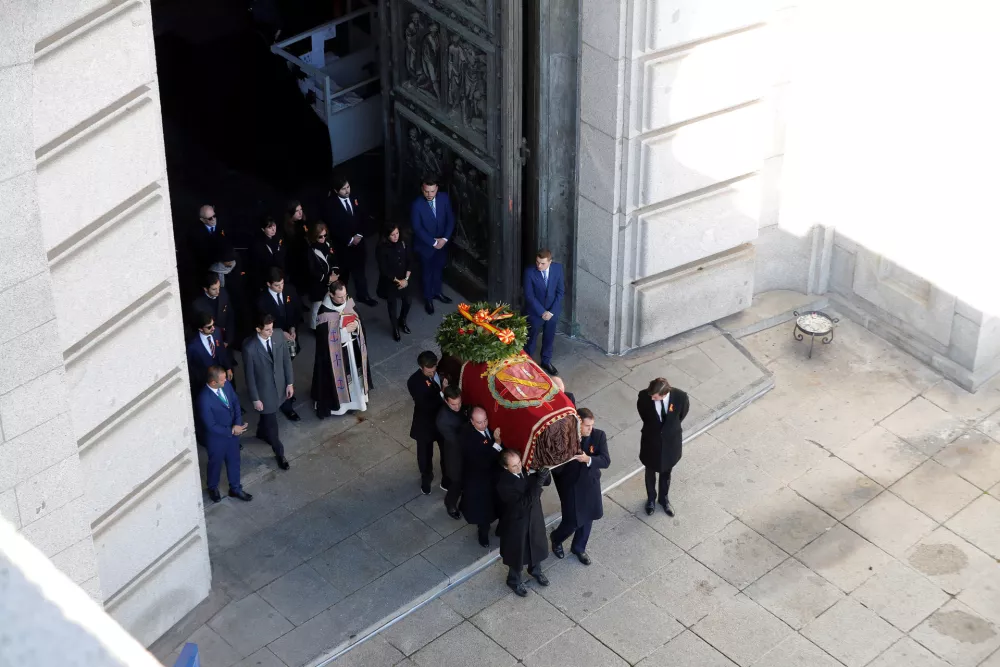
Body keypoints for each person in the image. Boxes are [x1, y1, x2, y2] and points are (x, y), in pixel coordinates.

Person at [550, 408, 609, 565]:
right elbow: (556, 468)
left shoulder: (599, 436)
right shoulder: (565, 438)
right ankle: (556, 538)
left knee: (589, 517)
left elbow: (605, 460)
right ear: (578, 424)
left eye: (592, 425)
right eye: (587, 426)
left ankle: (579, 547)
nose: (590, 429)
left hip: (590, 484)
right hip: (571, 487)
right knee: (572, 521)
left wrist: (588, 459)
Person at [242, 313, 297, 471]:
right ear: (258, 329)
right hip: (264, 393)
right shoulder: (250, 348)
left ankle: (261, 432)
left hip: (280, 386)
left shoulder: (278, 335)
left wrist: (290, 383)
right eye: (267, 330)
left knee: (266, 420)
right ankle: (280, 453)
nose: (271, 332)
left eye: (271, 328)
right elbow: (250, 376)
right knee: (272, 425)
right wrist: (255, 398)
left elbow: (286, 360)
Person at [312, 281, 372, 417]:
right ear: (331, 295)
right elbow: (323, 339)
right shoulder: (324, 312)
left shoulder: (348, 302)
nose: (343, 299)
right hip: (335, 355)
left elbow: (359, 320)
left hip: (352, 349)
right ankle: (341, 407)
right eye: (340, 297)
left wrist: (356, 325)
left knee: (355, 376)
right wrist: (344, 331)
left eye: (345, 295)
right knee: (338, 378)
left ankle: (358, 401)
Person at [496, 449, 550, 596]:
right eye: (514, 466)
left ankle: (535, 570)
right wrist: (538, 482)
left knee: (537, 545)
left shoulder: (524, 470)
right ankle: (513, 580)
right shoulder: (504, 484)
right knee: (517, 554)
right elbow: (524, 503)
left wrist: (544, 470)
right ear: (506, 467)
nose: (519, 467)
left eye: (519, 463)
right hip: (518, 523)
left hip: (534, 518)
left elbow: (545, 482)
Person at [195, 366, 251, 502]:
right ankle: (212, 487)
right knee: (215, 463)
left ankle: (235, 488)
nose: (226, 380)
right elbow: (210, 425)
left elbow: (235, 403)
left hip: (232, 434)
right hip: (216, 439)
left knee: (234, 461)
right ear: (213, 382)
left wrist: (237, 424)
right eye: (223, 379)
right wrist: (232, 430)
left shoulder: (226, 386)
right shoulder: (204, 399)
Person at [637, 377, 690, 517]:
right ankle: (651, 500)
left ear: (664, 394)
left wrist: (668, 430)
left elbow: (681, 415)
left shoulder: (680, 397)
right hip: (651, 443)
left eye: (655, 397)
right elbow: (644, 415)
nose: (652, 399)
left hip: (671, 444)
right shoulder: (644, 396)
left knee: (666, 474)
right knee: (650, 473)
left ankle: (663, 499)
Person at [324, 175, 377, 307]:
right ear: (336, 191)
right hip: (343, 247)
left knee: (360, 272)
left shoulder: (355, 197)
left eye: (348, 187)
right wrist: (349, 239)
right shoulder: (331, 205)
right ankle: (342, 299)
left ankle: (363, 295)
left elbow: (363, 217)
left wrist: (359, 235)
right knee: (344, 275)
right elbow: (333, 226)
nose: (347, 191)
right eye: (343, 189)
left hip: (358, 244)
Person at [409, 175, 455, 314]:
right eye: (426, 191)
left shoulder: (444, 198)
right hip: (426, 245)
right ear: (422, 190)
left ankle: (437, 292)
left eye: (432, 191)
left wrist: (445, 239)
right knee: (427, 272)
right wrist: (434, 242)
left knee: (438, 268)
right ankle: (428, 298)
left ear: (437, 189)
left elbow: (450, 219)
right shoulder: (416, 205)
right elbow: (417, 228)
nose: (429, 194)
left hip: (442, 243)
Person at [460, 406, 502, 548]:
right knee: (484, 513)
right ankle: (483, 534)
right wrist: (497, 444)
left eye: (485, 420)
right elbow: (483, 462)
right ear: (472, 421)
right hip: (480, 481)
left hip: (493, 478)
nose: (483, 424)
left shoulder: (488, 430)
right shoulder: (469, 438)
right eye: (479, 422)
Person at [407, 351, 446, 495]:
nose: (432, 371)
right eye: (429, 369)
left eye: (434, 368)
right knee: (424, 455)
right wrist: (442, 392)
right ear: (421, 367)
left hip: (442, 423)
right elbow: (425, 405)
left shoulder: (440, 372)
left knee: (446, 453)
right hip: (425, 423)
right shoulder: (414, 381)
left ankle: (446, 477)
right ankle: (426, 478)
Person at [522, 248, 565, 376]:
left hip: (552, 311)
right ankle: (527, 363)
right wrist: (542, 312)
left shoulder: (557, 269)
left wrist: (551, 312)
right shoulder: (529, 272)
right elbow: (529, 296)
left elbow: (560, 292)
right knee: (531, 337)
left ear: (550, 262)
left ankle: (546, 361)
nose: (539, 265)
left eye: (542, 263)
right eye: (537, 262)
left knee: (549, 337)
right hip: (536, 312)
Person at [375, 223, 413, 341]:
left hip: (404, 278)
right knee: (392, 305)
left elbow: (410, 260)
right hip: (390, 281)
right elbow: (384, 269)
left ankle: (402, 320)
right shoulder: (381, 248)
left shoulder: (403, 243)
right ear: (387, 236)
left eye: (397, 233)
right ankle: (395, 328)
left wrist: (405, 280)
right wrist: (398, 281)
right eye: (392, 235)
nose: (396, 236)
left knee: (407, 301)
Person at [255, 267, 303, 358]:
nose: (281, 287)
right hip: (274, 338)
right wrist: (281, 332)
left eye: (282, 283)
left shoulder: (290, 290)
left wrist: (293, 327)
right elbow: (263, 322)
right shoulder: (262, 301)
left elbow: (297, 309)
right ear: (269, 284)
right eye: (277, 285)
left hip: (291, 334)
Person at [435, 385, 466, 518]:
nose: (457, 407)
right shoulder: (442, 420)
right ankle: (450, 503)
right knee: (456, 482)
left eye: (459, 403)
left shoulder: (461, 408)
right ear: (446, 401)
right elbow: (455, 441)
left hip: (464, 451)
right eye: (454, 404)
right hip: (455, 456)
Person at [186, 311, 233, 399]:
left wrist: (228, 367)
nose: (213, 328)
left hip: (220, 374)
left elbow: (222, 351)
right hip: (205, 380)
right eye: (209, 327)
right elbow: (191, 366)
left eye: (213, 324)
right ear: (200, 329)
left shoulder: (217, 332)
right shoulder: (193, 345)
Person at [305, 222, 340, 329]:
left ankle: (329, 323)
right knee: (317, 306)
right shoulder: (310, 251)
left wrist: (335, 272)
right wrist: (327, 278)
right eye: (320, 236)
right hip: (318, 283)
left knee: (331, 302)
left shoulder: (328, 244)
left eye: (325, 235)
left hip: (330, 279)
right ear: (314, 236)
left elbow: (334, 259)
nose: (323, 238)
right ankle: (314, 327)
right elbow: (311, 270)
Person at [191, 272, 235, 349]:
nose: (218, 291)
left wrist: (228, 339)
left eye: (218, 287)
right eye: (214, 289)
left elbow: (230, 316)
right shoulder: (198, 305)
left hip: (226, 339)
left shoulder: (223, 293)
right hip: (212, 343)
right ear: (205, 289)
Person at [248, 215, 286, 289]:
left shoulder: (279, 238)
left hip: (281, 276)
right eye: (269, 227)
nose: (273, 229)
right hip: (266, 278)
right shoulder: (258, 244)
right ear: (263, 229)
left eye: (274, 226)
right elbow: (257, 266)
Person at [188, 204, 226, 274]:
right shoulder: (195, 232)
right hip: (206, 269)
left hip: (225, 265)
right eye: (210, 218)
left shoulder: (224, 224)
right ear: (202, 220)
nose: (213, 219)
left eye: (214, 216)